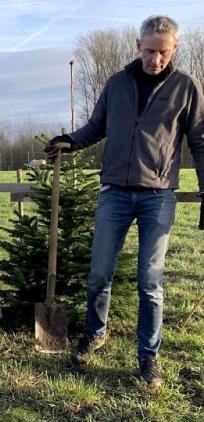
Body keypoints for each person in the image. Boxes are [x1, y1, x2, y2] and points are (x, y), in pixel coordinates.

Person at [45, 15, 204, 386]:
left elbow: (199, 140)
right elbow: (97, 126)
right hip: (114, 192)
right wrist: (68, 141)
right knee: (99, 273)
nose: (155, 59)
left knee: (150, 280)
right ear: (138, 46)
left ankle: (149, 356)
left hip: (158, 196)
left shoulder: (187, 87)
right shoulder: (117, 83)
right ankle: (94, 333)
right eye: (150, 51)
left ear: (175, 48)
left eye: (163, 52)